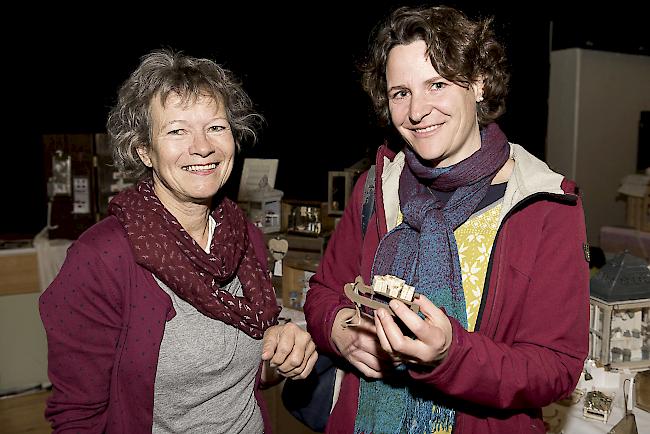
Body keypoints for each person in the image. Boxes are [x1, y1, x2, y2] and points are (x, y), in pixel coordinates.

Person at [304, 5, 589, 434]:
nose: (417, 111)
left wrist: (450, 356)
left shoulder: (545, 205)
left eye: (436, 84)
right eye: (401, 92)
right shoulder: (376, 187)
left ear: (477, 84)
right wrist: (340, 329)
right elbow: (324, 292)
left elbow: (556, 367)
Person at [39, 49, 318, 433]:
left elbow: (245, 377)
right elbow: (76, 417)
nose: (202, 146)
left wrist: (283, 350)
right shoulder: (100, 259)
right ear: (145, 151)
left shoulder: (245, 236)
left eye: (216, 127)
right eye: (177, 130)